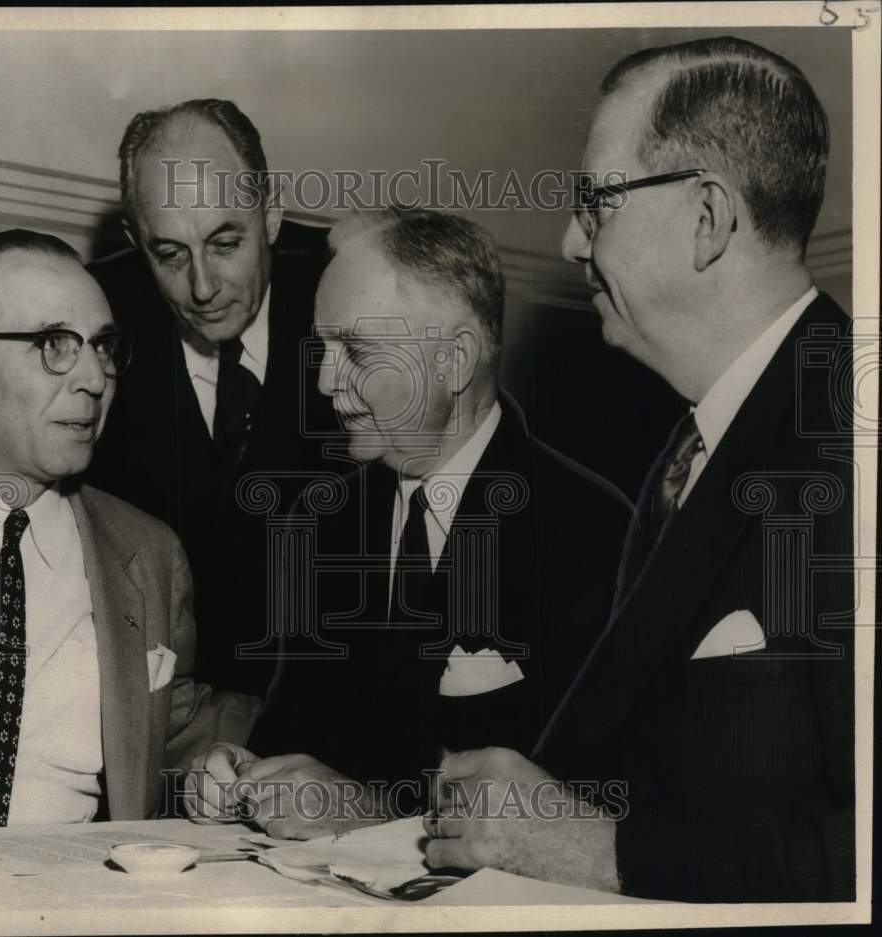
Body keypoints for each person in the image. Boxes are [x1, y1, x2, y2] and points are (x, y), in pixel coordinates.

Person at [422, 36, 855, 902]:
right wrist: (549, 795)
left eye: (596, 201)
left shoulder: (856, 441)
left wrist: (597, 850)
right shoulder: (687, 450)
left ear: (708, 218)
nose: (570, 240)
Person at [183, 208, 632, 839]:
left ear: (452, 361)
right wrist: (246, 774)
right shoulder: (321, 525)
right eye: (322, 348)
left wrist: (370, 815)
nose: (323, 381)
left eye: (356, 350)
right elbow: (297, 735)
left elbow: (585, 814)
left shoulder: (595, 532)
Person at [0, 230, 225, 828]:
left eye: (102, 347)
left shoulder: (148, 552)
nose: (94, 380)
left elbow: (176, 729)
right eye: (54, 344)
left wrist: (225, 763)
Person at [86, 99, 336, 724]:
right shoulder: (91, 320)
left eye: (226, 243)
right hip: (150, 713)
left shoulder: (353, 304)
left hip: (325, 708)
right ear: (135, 242)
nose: (202, 287)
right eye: (169, 255)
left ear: (271, 213)